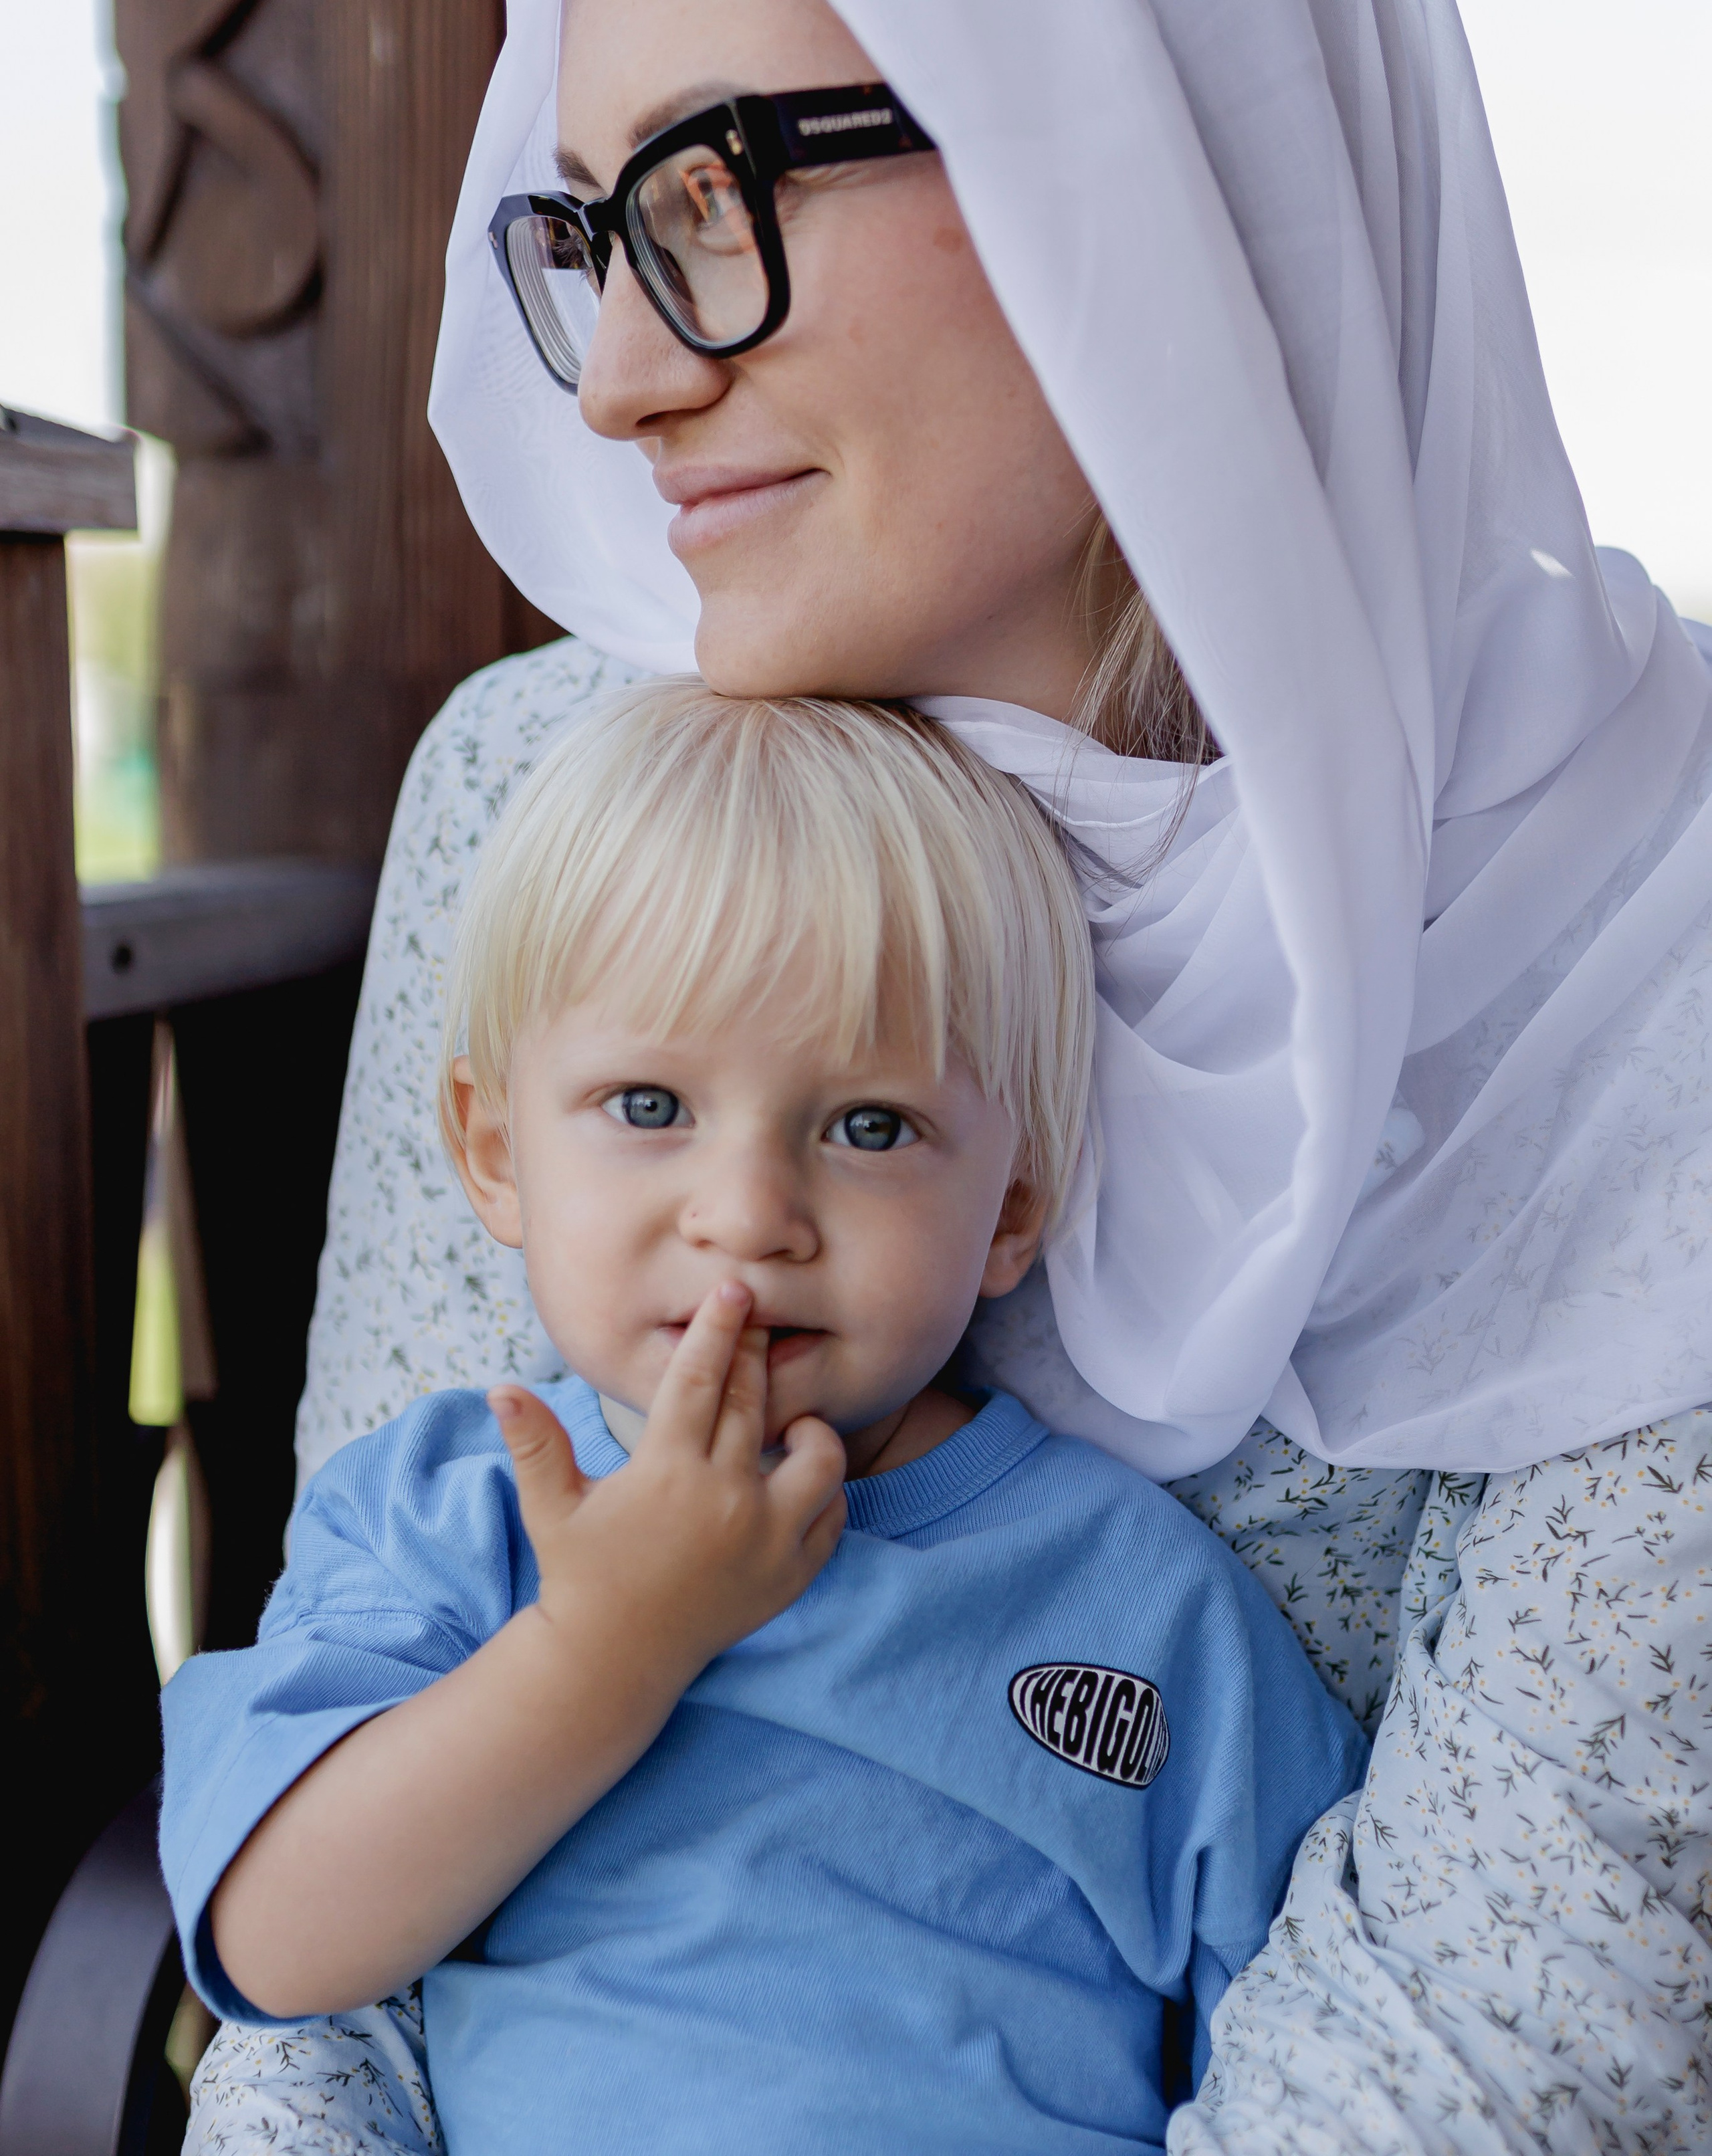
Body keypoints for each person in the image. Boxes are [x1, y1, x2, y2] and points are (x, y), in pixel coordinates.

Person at [186, 0, 1712, 2156]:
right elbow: (328, 1982)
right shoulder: (560, 793)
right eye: (590, 232)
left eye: (715, 199)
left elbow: (1482, 2061)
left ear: (1139, 139)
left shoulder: (1641, 957)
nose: (619, 378)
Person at [160, 683, 1368, 2155]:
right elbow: (284, 1948)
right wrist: (608, 1646)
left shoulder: (1145, 1606)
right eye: (648, 1106)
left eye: (868, 1128)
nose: (746, 1217)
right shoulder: (447, 1516)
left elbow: (1329, 2040)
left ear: (1013, 1211)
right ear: (493, 1152)